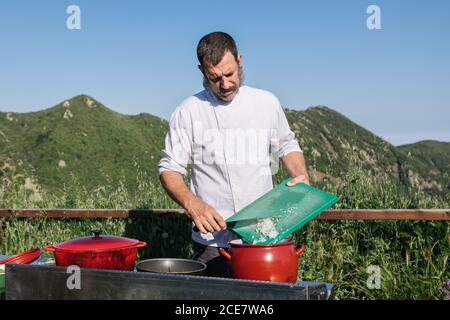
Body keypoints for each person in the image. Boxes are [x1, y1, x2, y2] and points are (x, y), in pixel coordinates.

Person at [158, 31, 309, 277]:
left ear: (240, 61)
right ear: (202, 71)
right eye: (215, 77)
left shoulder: (266, 102)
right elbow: (169, 169)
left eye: (229, 74)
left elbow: (287, 145)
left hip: (266, 235)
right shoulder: (188, 111)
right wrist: (192, 203)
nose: (225, 84)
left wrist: (301, 175)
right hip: (212, 243)